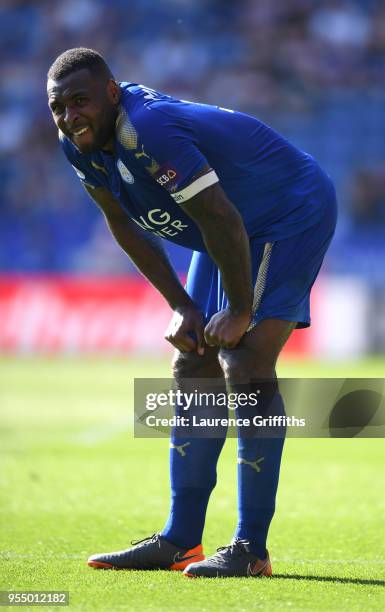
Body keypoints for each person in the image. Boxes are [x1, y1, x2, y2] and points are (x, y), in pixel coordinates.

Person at [47, 47, 337, 578]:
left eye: (80, 102)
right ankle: (180, 539)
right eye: (58, 107)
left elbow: (222, 217)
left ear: (113, 94)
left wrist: (242, 309)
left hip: (288, 211)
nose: (70, 117)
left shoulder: (149, 131)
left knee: (245, 364)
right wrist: (181, 305)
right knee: (193, 360)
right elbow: (122, 224)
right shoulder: (78, 144)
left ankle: (251, 548)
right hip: (223, 225)